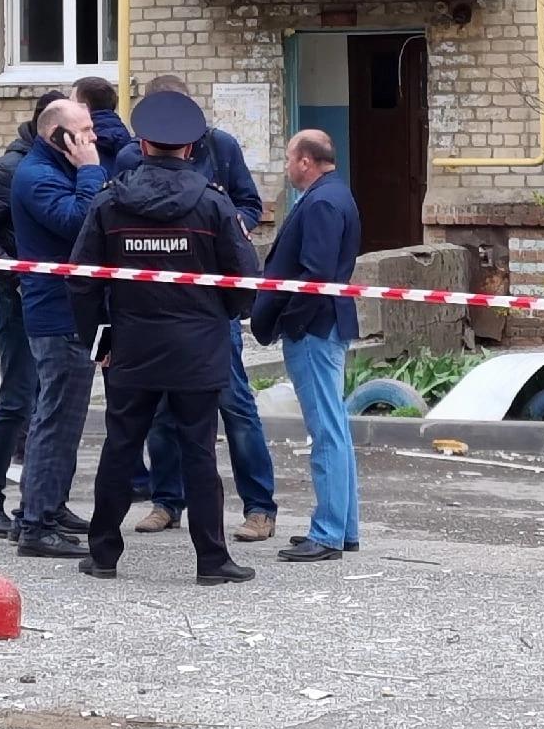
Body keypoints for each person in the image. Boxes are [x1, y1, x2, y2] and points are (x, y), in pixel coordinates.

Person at [71, 90, 263, 586]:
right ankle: (212, 561)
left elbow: (82, 281)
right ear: (193, 147)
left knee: (120, 447)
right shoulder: (213, 206)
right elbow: (245, 279)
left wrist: (100, 341)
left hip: (130, 347)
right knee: (199, 451)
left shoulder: (110, 203)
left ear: (141, 142)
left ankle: (103, 555)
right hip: (198, 350)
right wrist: (220, 319)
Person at [116, 71, 279, 544]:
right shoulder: (131, 156)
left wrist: (237, 226)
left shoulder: (221, 147)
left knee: (235, 405)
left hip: (209, 306)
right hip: (157, 303)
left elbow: (249, 203)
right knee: (163, 407)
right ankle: (168, 502)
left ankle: (259, 507)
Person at [0, 89, 65, 539]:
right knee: (18, 400)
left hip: (49, 300)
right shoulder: (9, 169)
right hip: (20, 299)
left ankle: (43, 504)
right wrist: (16, 276)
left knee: (47, 403)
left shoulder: (52, 166)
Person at [251, 130, 362, 561]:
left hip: (314, 329)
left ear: (305, 162)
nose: (286, 167)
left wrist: (288, 322)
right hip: (325, 323)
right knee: (335, 428)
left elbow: (314, 275)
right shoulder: (336, 195)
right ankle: (343, 527)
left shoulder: (320, 203)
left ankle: (329, 531)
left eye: (288, 159)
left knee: (327, 432)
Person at [8, 96, 105, 558]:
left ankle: (47, 505)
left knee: (65, 419)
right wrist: (89, 170)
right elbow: (80, 222)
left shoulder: (55, 168)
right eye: (83, 131)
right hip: (56, 313)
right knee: (55, 418)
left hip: (72, 312)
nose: (92, 138)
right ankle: (36, 524)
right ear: (58, 136)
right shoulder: (38, 175)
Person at [76, 76, 134, 177]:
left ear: (84, 107)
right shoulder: (127, 138)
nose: (66, 106)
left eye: (71, 102)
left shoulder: (79, 142)